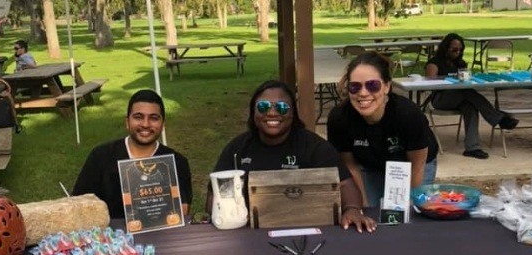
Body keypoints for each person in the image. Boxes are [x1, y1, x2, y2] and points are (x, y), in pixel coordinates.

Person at [206, 80, 376, 233]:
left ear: (293, 113)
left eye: (282, 107)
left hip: (306, 228)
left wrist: (352, 209)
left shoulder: (313, 146)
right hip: (249, 231)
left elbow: (345, 183)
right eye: (263, 107)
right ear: (253, 112)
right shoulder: (238, 148)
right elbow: (215, 194)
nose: (272, 113)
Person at [327, 51, 439, 208]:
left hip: (411, 164)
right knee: (371, 211)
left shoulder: (407, 114)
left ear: (386, 86)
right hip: (370, 164)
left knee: (405, 213)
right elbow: (350, 165)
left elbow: (417, 164)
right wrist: (362, 208)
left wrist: (409, 206)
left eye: (373, 85)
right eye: (355, 87)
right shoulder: (339, 118)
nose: (363, 93)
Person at [73, 89, 193, 219]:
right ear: (127, 122)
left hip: (161, 235)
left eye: (154, 118)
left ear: (163, 124)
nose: (146, 124)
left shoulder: (177, 162)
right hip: (109, 236)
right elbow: (79, 204)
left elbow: (183, 210)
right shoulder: (101, 156)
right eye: (138, 117)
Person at [425, 32, 519, 160]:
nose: (457, 52)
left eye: (460, 50)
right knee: (467, 92)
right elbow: (430, 82)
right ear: (445, 48)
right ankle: (498, 118)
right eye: (454, 49)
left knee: (471, 107)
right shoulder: (434, 62)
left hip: (460, 97)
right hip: (441, 98)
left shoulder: (460, 63)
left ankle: (472, 148)